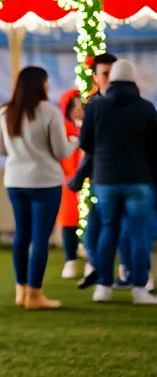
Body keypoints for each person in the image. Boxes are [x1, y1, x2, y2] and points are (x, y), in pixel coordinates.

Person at [0, 66, 78, 311]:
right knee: (40, 238)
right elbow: (60, 151)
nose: (48, 87)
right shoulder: (49, 112)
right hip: (45, 182)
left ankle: (21, 290)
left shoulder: (5, 112)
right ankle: (35, 294)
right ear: (38, 84)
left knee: (22, 235)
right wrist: (75, 140)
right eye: (46, 82)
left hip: (15, 180)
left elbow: (0, 149)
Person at [78, 59, 157, 305]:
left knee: (107, 231)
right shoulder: (146, 108)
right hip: (139, 181)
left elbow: (85, 142)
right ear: (134, 81)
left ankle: (103, 286)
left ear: (110, 80)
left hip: (106, 180)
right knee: (138, 235)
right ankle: (139, 289)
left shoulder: (97, 107)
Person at [74, 52, 117, 288]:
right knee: (95, 227)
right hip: (98, 174)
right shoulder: (91, 104)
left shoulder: (129, 101)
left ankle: (120, 273)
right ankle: (97, 267)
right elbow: (87, 144)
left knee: (115, 227)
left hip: (112, 176)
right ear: (95, 76)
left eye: (113, 73)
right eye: (105, 74)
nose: (109, 79)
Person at [57, 89, 85, 280]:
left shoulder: (87, 128)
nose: (79, 109)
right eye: (75, 106)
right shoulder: (63, 130)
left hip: (88, 180)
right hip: (69, 181)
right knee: (69, 221)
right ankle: (70, 260)